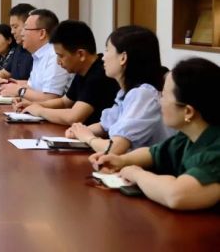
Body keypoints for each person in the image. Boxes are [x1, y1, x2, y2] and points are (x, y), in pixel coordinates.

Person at [89, 58, 220, 210]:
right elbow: (153, 153)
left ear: (188, 111)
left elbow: (177, 195)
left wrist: (137, 174)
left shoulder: (215, 151)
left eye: (163, 96)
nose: (159, 101)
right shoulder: (188, 138)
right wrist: (121, 160)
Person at [66, 26, 172, 154]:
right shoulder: (126, 93)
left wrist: (88, 138)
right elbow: (104, 126)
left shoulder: (143, 95)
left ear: (123, 58)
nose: (103, 58)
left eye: (107, 50)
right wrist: (78, 130)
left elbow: (115, 149)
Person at [16, 20, 119, 125]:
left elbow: (74, 117)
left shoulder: (99, 74)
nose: (58, 61)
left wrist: (40, 111)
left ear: (81, 54)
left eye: (61, 56)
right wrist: (34, 105)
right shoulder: (82, 69)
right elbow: (65, 102)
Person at [0, 9, 72, 101]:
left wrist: (19, 91)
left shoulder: (54, 56)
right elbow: (33, 88)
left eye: (25, 29)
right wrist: (12, 86)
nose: (22, 33)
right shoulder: (38, 55)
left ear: (42, 33)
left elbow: (50, 98)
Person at [0, 3, 34, 83]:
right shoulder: (19, 48)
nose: (12, 32)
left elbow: (36, 85)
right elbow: (5, 73)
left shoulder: (38, 52)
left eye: (15, 27)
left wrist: (2, 81)